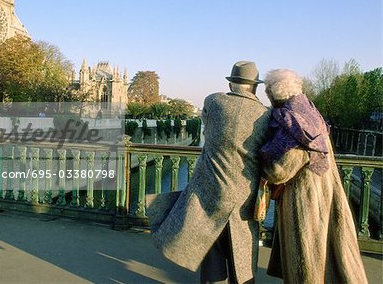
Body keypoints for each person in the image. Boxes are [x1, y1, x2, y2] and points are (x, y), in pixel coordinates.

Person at [150, 61, 270, 283]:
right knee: (242, 256)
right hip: (243, 197)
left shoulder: (213, 101)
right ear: (254, 86)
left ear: (232, 82)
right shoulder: (264, 115)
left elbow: (207, 124)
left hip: (209, 191)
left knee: (211, 250)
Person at [260, 69, 368, 283]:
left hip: (305, 198)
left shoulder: (290, 119)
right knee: (328, 251)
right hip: (325, 190)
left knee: (307, 255)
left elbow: (283, 168)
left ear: (275, 93)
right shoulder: (311, 112)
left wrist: (265, 171)